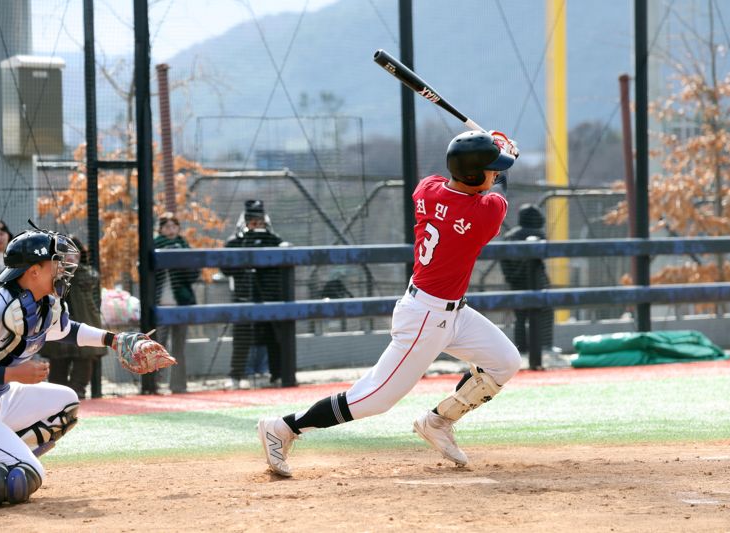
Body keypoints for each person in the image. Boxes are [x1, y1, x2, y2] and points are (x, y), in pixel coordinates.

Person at [257, 129, 522, 477]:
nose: (493, 173)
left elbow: (479, 183)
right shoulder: (479, 215)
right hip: (425, 319)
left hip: (451, 310)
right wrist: (506, 157)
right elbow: (498, 188)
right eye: (488, 168)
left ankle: (437, 422)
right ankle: (283, 427)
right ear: (473, 175)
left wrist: (492, 153)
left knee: (505, 361)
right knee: (373, 399)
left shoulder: (428, 187)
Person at [0, 227, 173, 505]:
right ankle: (6, 463)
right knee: (25, 476)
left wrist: (114, 340)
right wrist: (12, 373)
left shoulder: (42, 303)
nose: (63, 269)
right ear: (33, 271)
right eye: (55, 263)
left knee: (66, 403)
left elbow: (68, 330)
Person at [222, 200, 286, 389]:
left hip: (270, 297)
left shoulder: (274, 240)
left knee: (275, 337)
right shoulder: (235, 242)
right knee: (241, 338)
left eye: (260, 221)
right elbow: (225, 269)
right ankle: (236, 376)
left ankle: (278, 375)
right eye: (252, 222)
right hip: (244, 297)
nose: (256, 225)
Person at [39, 236, 105, 400]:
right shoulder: (51, 275)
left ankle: (78, 393)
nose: (70, 256)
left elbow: (95, 295)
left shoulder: (87, 274)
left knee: (84, 360)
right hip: (57, 322)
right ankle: (58, 396)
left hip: (85, 319)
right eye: (65, 252)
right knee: (58, 365)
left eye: (74, 253)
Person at [499, 204, 556, 353]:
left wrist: (511, 278)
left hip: (516, 283)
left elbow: (504, 262)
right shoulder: (538, 235)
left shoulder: (509, 236)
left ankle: (521, 349)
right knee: (545, 313)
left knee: (520, 318)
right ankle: (544, 347)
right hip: (537, 282)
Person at [153, 213, 199, 394]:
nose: (171, 230)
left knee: (179, 346)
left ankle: (179, 385)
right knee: (156, 346)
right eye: (167, 227)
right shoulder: (154, 245)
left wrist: (179, 261)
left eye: (174, 226)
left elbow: (194, 275)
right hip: (159, 306)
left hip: (181, 304)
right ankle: (153, 384)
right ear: (160, 229)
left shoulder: (184, 246)